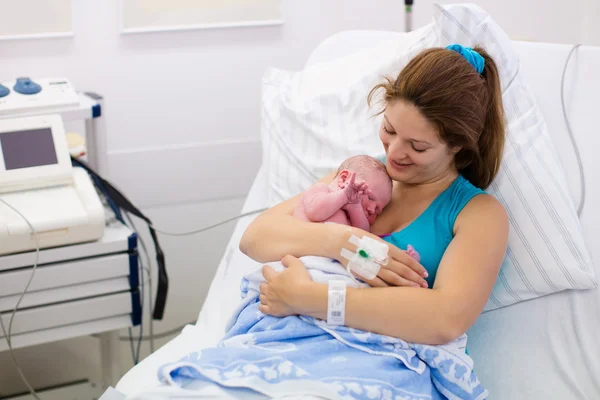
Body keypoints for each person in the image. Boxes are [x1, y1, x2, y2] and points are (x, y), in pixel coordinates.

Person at [239, 44, 509, 346]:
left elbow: (446, 319)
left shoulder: (478, 214)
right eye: (389, 129)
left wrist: (309, 298)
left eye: (417, 147)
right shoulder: (363, 174)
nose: (394, 153)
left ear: (458, 145)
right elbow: (255, 238)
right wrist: (345, 244)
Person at [293, 155, 392, 233]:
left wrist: (355, 208)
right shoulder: (321, 189)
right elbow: (315, 213)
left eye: (377, 210)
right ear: (344, 179)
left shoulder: (350, 220)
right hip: (302, 251)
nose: (371, 209)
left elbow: (363, 235)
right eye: (370, 198)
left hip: (326, 257)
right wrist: (344, 195)